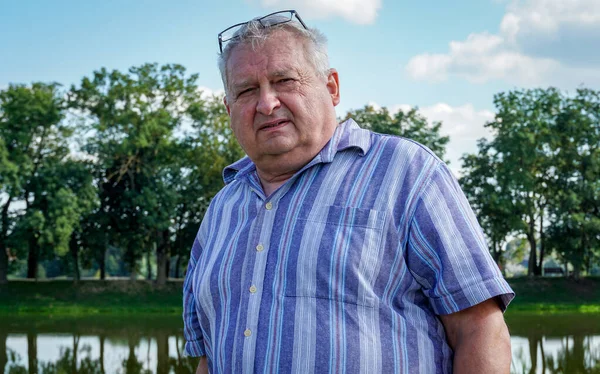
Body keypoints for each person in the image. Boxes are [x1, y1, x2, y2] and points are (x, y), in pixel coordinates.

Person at [183, 9, 514, 374]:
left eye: (284, 80)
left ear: (331, 87)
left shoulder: (406, 172)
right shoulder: (221, 210)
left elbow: (480, 328)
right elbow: (209, 358)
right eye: (247, 90)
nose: (267, 103)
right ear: (230, 109)